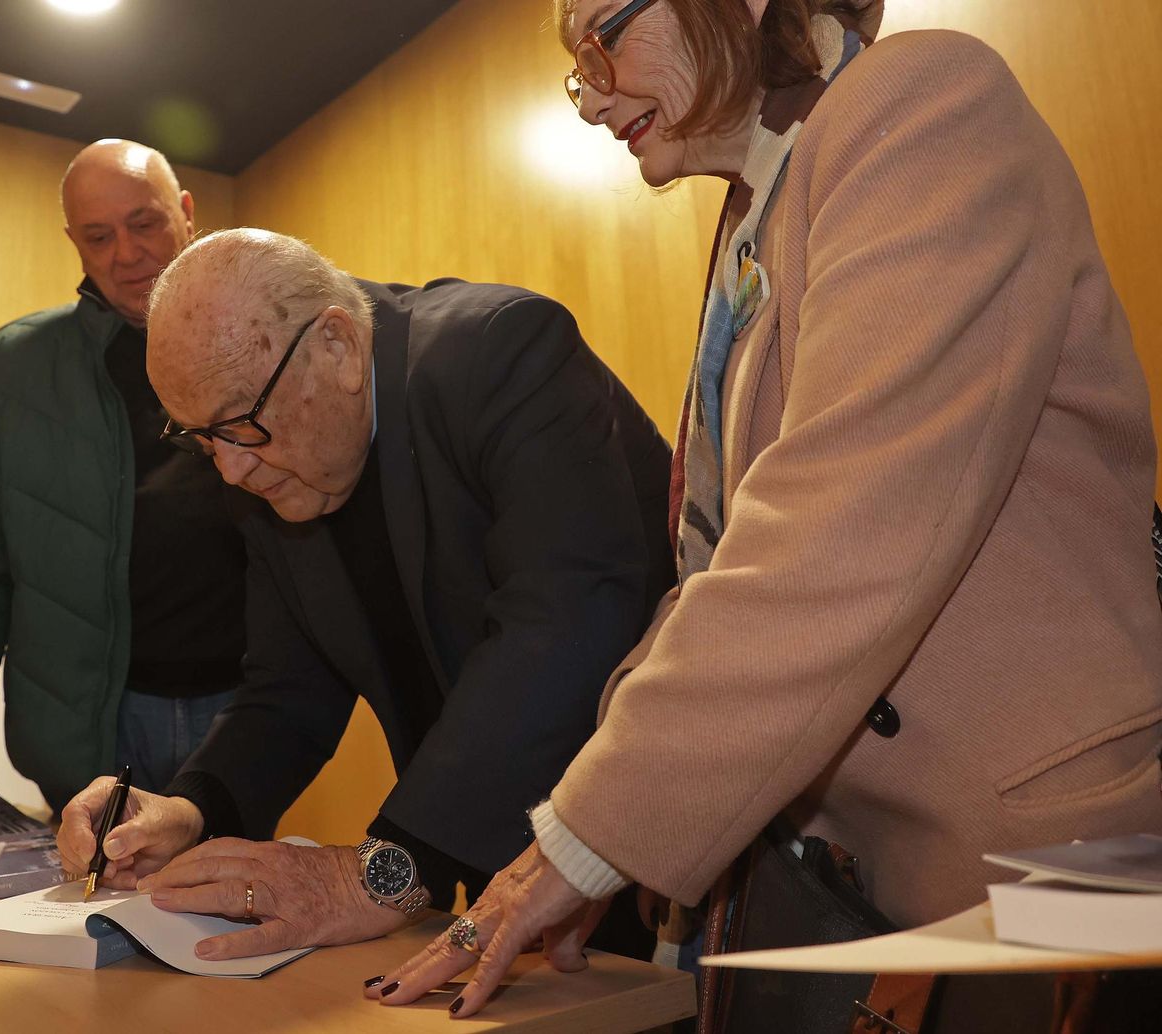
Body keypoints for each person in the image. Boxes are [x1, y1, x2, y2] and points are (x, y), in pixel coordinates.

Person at [373, 0, 1162, 1018]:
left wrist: (590, 833)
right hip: (870, 873)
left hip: (1044, 866)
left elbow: (840, 526)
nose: (586, 95)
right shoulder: (762, 208)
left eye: (599, 36)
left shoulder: (921, 98)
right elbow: (719, 559)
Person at [56, 228, 677, 962]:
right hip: (480, 858)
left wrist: (383, 870)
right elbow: (288, 687)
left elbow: (565, 622)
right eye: (201, 439)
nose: (229, 470)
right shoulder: (270, 458)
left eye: (239, 425)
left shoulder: (501, 353)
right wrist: (190, 808)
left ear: (339, 348)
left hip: (646, 840)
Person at [0, 140, 247, 815]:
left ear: (186, 213)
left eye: (144, 224)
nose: (125, 253)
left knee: (229, 906)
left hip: (243, 715)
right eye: (98, 236)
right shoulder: (17, 363)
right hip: (85, 724)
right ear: (73, 242)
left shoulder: (256, 338)